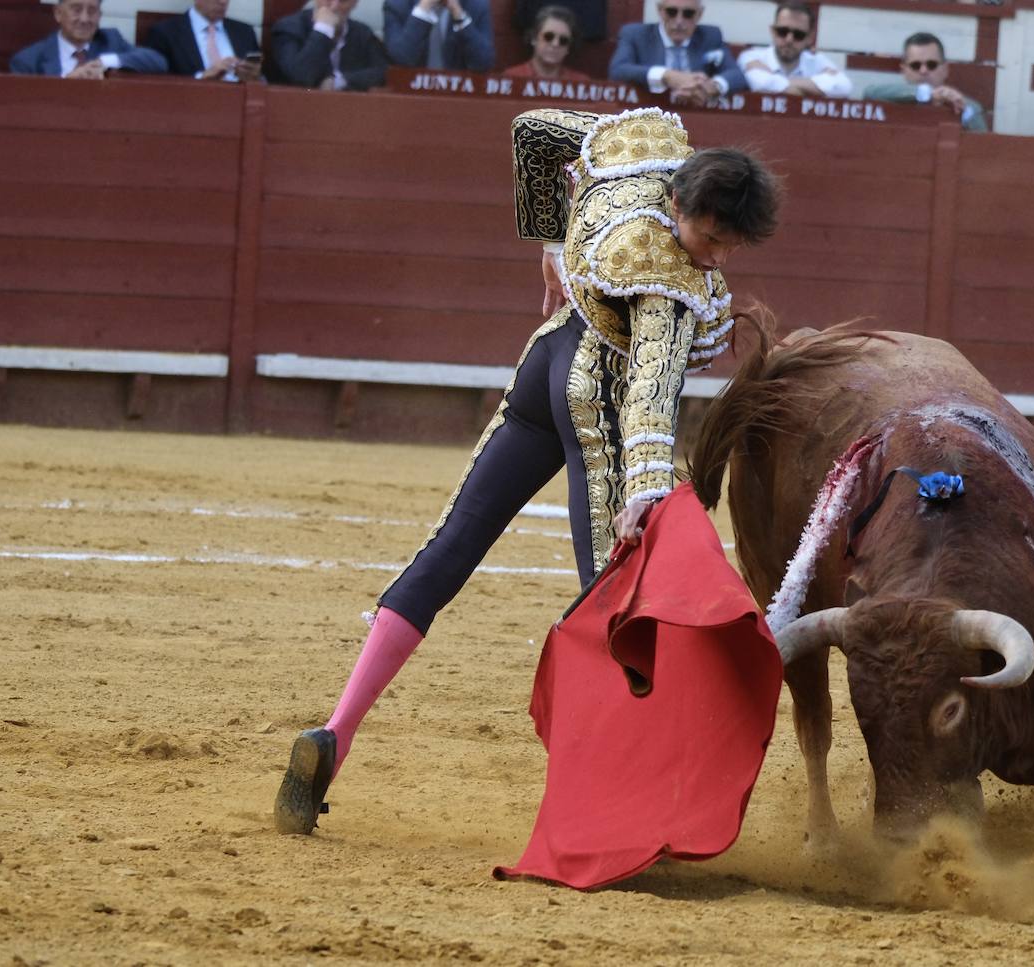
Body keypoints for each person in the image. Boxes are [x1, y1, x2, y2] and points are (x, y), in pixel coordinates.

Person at [273, 106, 782, 836]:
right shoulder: (668, 276)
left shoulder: (643, 150)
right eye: (711, 237)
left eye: (732, 245)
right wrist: (645, 489)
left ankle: (335, 731)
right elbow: (650, 390)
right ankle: (609, 803)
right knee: (614, 601)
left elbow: (536, 133)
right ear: (680, 204)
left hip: (544, 359)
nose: (717, 257)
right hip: (595, 393)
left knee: (449, 546)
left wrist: (549, 239)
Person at [609, 0, 747, 108]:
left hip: (697, 115)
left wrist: (713, 86)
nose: (679, 21)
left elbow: (736, 74)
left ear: (699, 14)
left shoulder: (710, 36)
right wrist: (667, 76)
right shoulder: (636, 34)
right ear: (660, 11)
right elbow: (618, 70)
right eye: (671, 12)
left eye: (688, 14)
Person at [863, 32, 986, 132]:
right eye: (916, 65)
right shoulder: (892, 96)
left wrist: (964, 110)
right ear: (904, 70)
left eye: (931, 65)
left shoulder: (969, 106)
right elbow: (869, 93)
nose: (923, 70)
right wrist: (927, 93)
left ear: (945, 69)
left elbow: (984, 145)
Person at [10, 0, 167, 77]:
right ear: (58, 13)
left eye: (92, 11)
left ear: (100, 16)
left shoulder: (110, 40)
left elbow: (158, 61)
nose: (85, 19)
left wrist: (104, 62)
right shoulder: (27, 61)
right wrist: (65, 84)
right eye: (76, 10)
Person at [738, 1, 851, 99]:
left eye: (798, 34)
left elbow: (844, 86)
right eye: (782, 31)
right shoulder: (751, 57)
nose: (789, 39)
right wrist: (813, 88)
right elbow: (760, 82)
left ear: (810, 38)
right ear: (772, 31)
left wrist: (780, 82)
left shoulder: (816, 61)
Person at [272, 0, 388, 91]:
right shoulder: (290, 28)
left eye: (343, 0)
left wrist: (339, 81)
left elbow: (382, 72)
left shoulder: (362, 33)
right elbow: (301, 77)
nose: (334, 6)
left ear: (355, 2)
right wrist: (323, 29)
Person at [145, 0, 261, 82]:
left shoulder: (244, 32)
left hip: (239, 105)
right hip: (190, 106)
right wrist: (201, 78)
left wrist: (253, 77)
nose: (223, 1)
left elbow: (261, 79)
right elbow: (155, 82)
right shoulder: (166, 32)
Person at [383, 0, 495, 72]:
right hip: (410, 95)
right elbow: (400, 59)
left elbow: (484, 63)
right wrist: (422, 11)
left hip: (458, 95)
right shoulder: (397, 5)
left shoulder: (476, 5)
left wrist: (460, 16)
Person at [501, 5, 589, 82]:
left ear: (568, 48)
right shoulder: (510, 78)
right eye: (548, 37)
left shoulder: (581, 83)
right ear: (534, 38)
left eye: (563, 40)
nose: (555, 44)